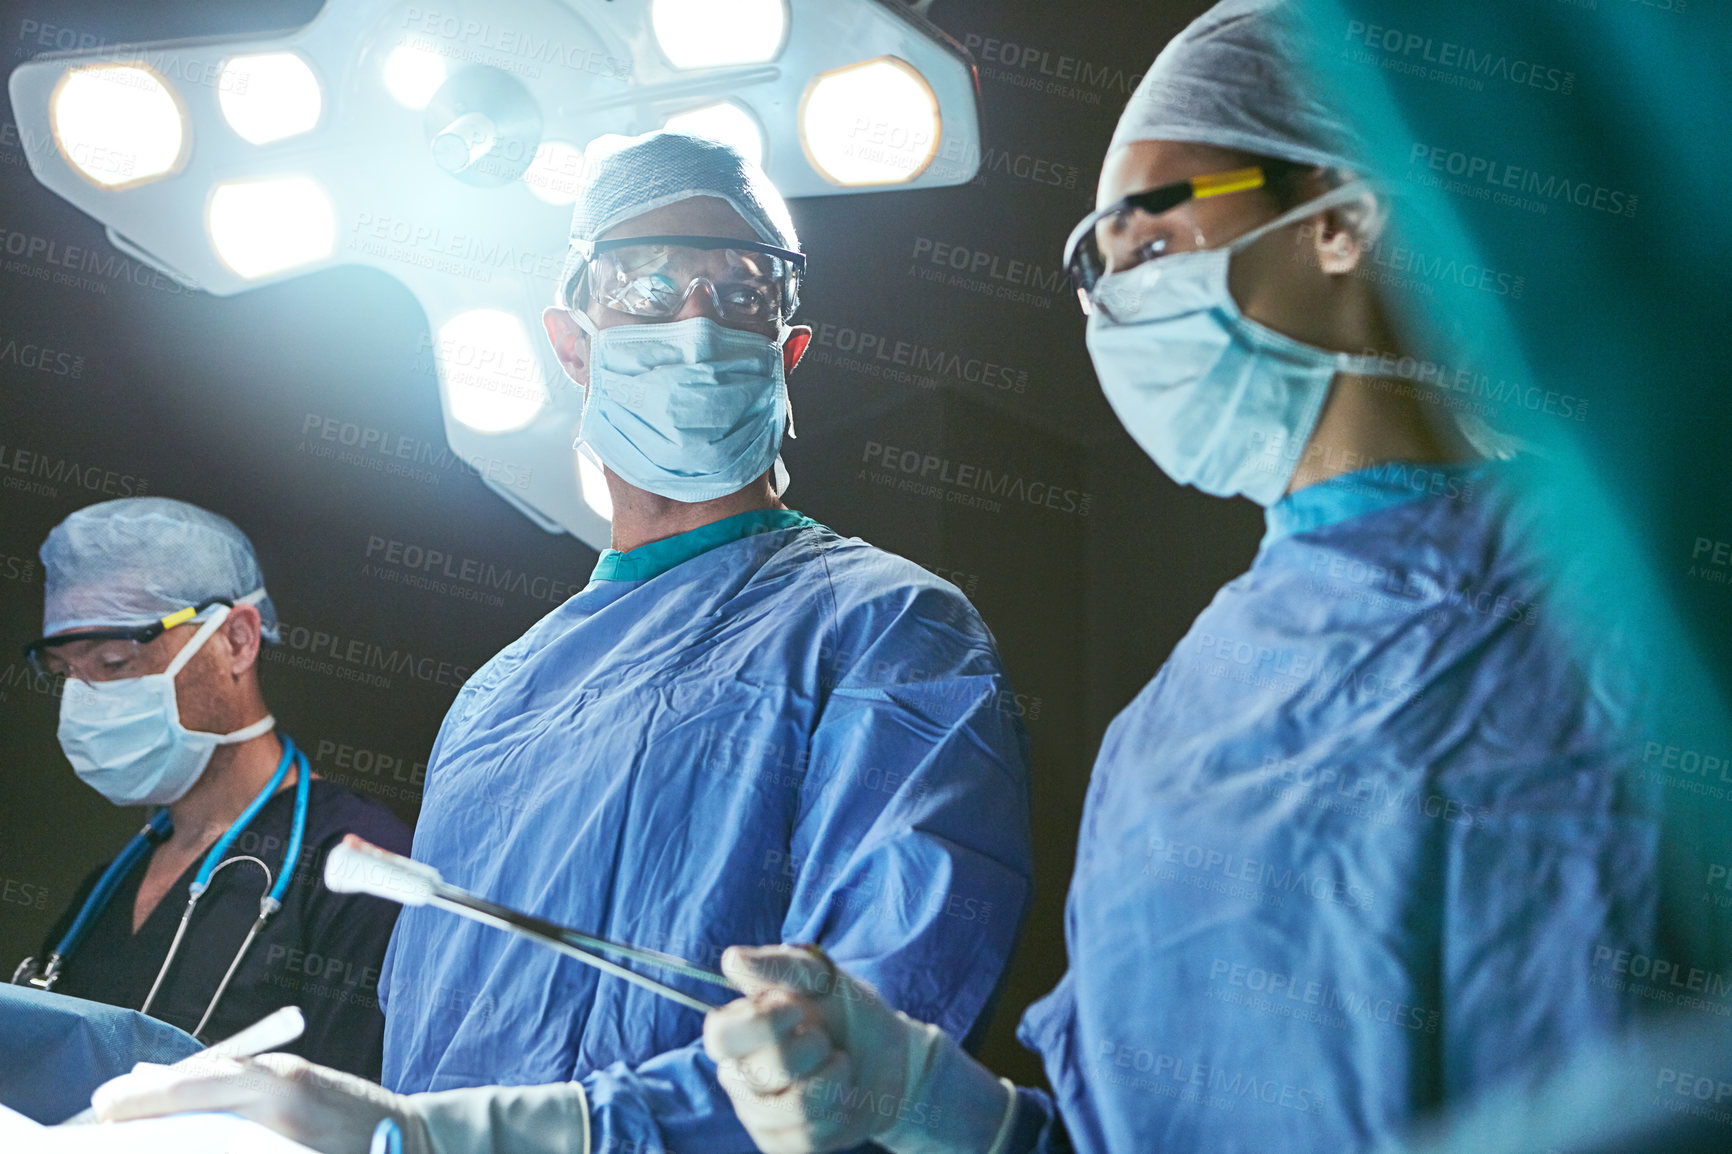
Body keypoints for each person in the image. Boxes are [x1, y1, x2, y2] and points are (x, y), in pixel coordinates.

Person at [696, 1, 1668, 1152]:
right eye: (1101, 276)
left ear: (1341, 218)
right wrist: (925, 1101)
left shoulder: (1631, 601)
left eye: (1149, 239)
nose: (1116, 312)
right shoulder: (1163, 737)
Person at [88, 131, 1035, 1153]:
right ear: (572, 344)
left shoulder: (887, 629)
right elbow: (436, 1047)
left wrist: (507, 1136)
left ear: (788, 351)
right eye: (648, 285)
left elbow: (867, 1044)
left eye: (743, 293)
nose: (697, 322)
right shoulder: (495, 704)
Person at [12, 497, 411, 1078]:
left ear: (238, 641)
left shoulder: (354, 865)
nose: (86, 698)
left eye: (115, 662)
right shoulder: (111, 884)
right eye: (67, 673)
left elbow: (367, 1122)